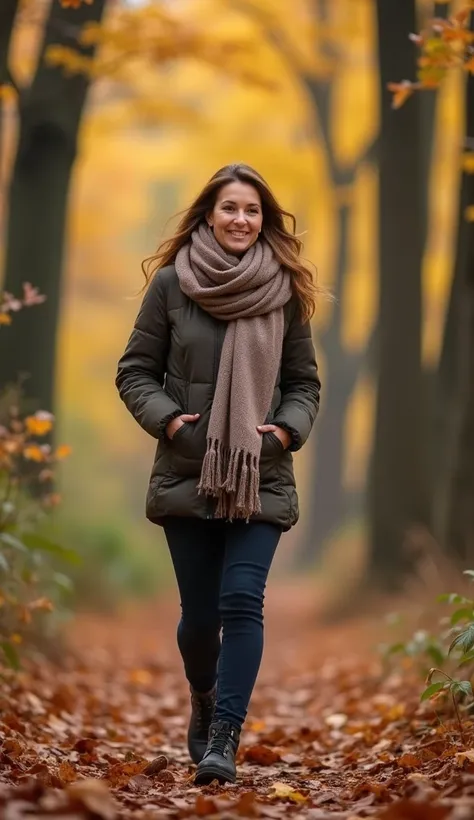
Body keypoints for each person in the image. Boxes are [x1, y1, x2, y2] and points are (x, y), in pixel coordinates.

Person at [116, 163, 321, 785]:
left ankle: (224, 738)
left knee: (242, 601)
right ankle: (203, 696)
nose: (241, 220)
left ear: (265, 220)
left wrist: (285, 430)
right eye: (230, 208)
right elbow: (134, 372)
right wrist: (174, 422)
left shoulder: (284, 290)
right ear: (209, 213)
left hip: (260, 472)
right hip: (189, 471)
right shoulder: (173, 285)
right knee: (201, 618)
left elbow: (304, 384)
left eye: (253, 211)